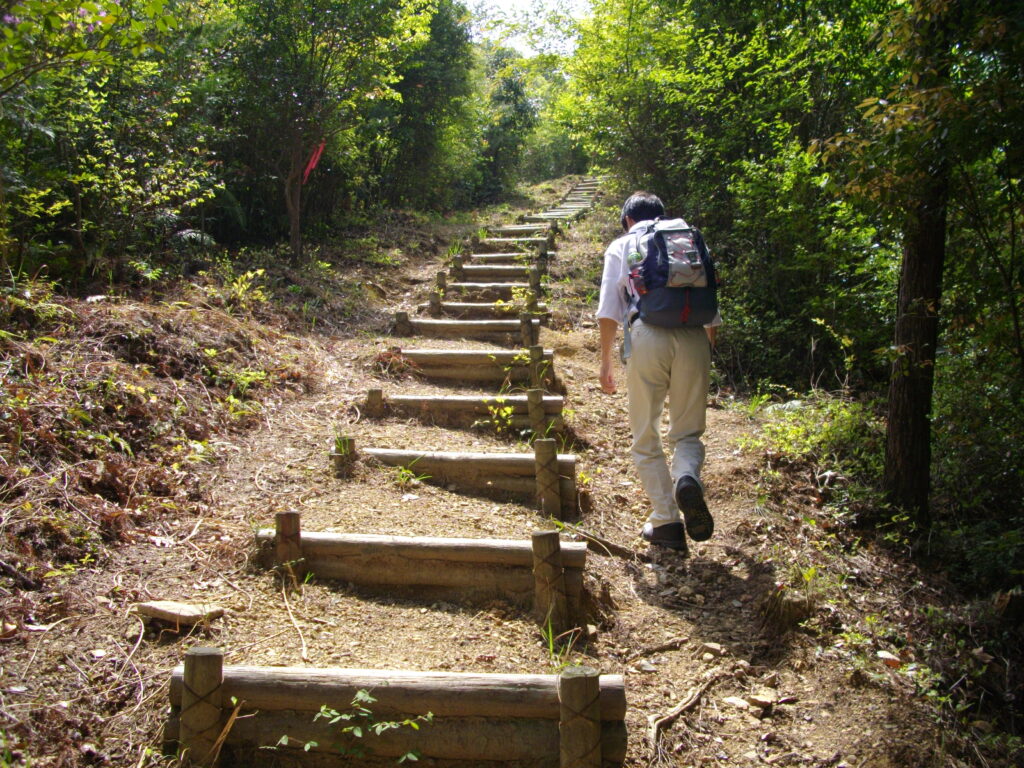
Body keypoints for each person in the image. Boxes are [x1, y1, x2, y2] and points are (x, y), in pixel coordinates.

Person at [596, 191, 720, 553]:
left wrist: (605, 360)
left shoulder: (624, 244)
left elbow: (609, 309)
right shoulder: (687, 240)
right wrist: (706, 350)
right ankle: (686, 478)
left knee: (645, 433)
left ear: (628, 220)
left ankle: (666, 522)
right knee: (688, 432)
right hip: (695, 337)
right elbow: (710, 305)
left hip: (648, 336)